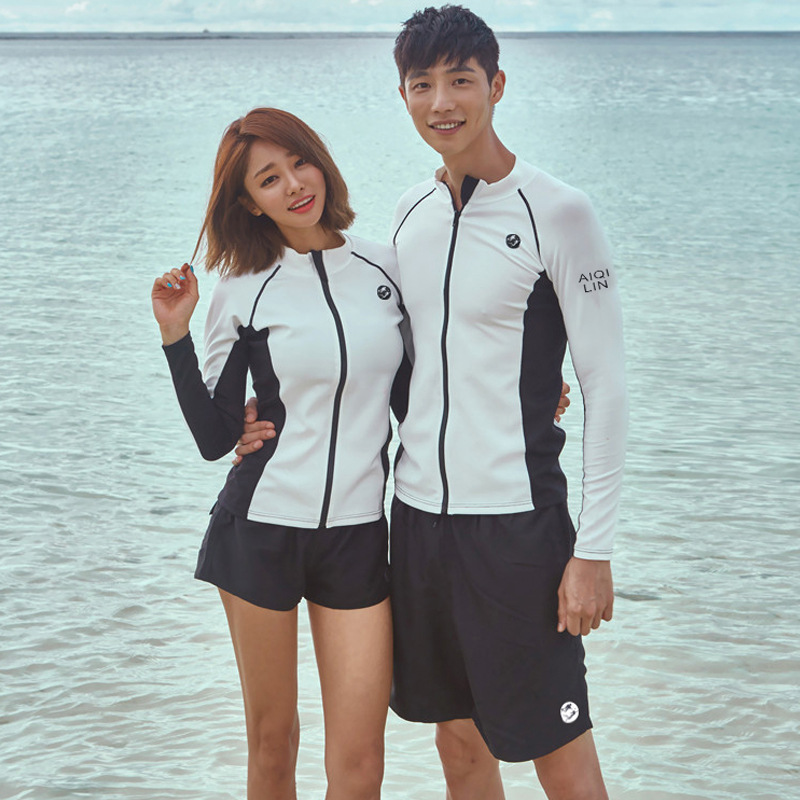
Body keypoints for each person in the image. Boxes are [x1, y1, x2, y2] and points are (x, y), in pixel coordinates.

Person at [238, 6, 627, 799]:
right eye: (423, 84)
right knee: (457, 743)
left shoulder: (558, 212)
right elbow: (393, 355)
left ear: (496, 85)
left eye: (460, 80)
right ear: (404, 95)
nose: (441, 102)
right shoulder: (410, 212)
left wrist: (593, 550)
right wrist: (258, 416)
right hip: (415, 523)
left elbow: (607, 385)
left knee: (559, 753)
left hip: (518, 525)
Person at [150, 107, 409, 800]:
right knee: (273, 746)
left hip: (357, 534)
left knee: (361, 762)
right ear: (249, 202)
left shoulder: (384, 267)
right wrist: (174, 335)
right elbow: (215, 439)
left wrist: (534, 393)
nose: (294, 184)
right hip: (259, 532)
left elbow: (430, 386)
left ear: (320, 160)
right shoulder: (242, 289)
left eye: (299, 162)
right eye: (269, 179)